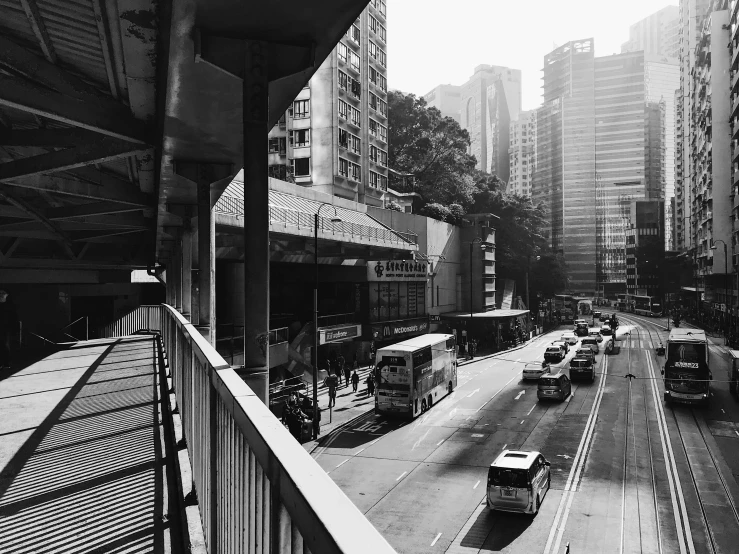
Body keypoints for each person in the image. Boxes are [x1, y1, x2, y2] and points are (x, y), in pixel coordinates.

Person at [0, 290, 17, 370]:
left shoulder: (8, 306)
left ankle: (5, 363)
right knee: (4, 345)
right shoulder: (7, 306)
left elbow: (12, 318)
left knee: (4, 345)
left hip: (5, 328)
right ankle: (4, 363)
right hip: (4, 328)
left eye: (2, 294)